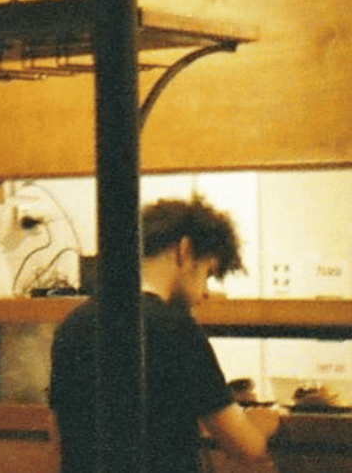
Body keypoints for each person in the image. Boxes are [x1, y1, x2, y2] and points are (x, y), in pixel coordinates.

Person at [49, 196, 279, 473]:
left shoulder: (72, 325)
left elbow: (59, 440)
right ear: (185, 250)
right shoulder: (177, 329)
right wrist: (263, 423)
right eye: (207, 273)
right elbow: (246, 447)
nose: (206, 292)